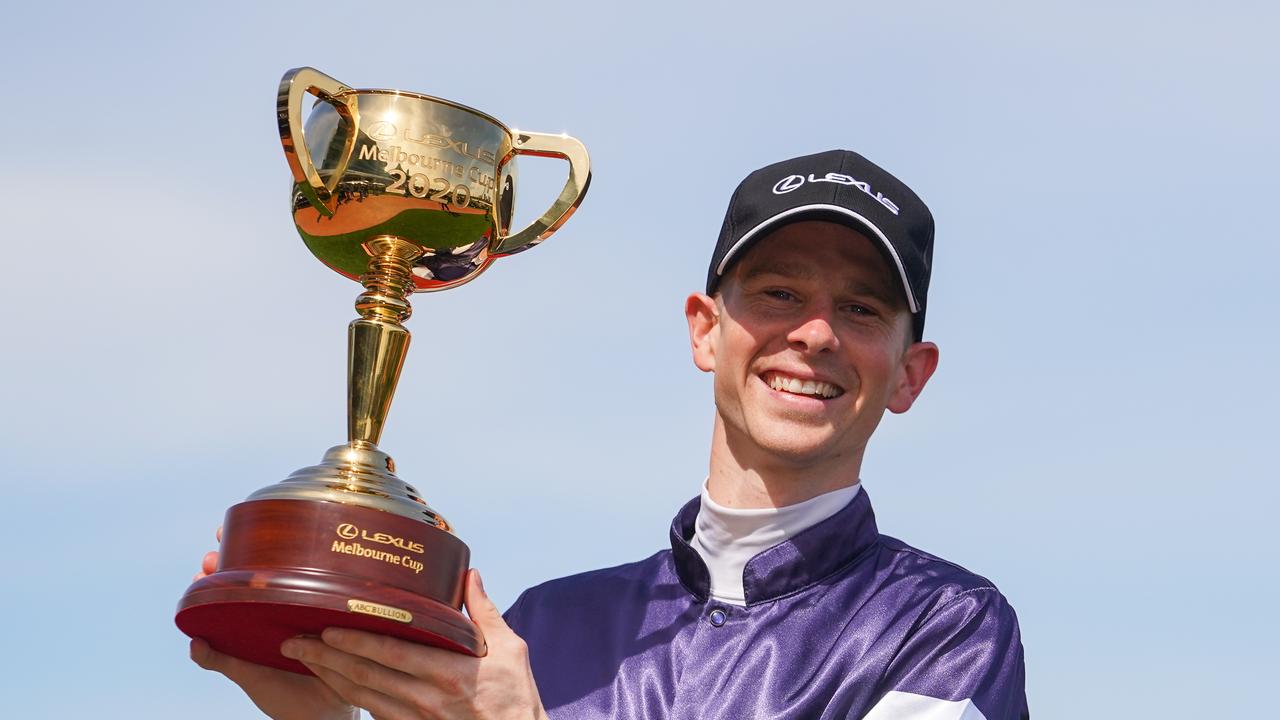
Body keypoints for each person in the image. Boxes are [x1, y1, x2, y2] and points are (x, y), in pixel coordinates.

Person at [191, 149, 1029, 720]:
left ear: (910, 372)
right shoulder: (544, 628)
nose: (814, 333)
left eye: (860, 309)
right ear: (705, 331)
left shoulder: (947, 631)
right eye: (777, 293)